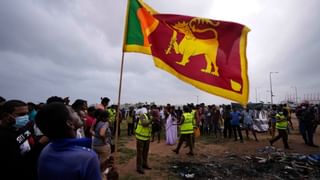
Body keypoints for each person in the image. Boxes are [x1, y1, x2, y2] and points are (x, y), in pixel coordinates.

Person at [36, 102, 101, 180]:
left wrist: (97, 167)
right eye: (73, 112)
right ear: (70, 124)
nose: (77, 113)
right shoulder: (88, 157)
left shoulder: (46, 150)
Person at [0, 100, 46, 180]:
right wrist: (40, 143)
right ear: (5, 116)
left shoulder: (22, 128)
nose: (26, 117)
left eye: (27, 113)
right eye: (21, 115)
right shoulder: (3, 137)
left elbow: (32, 139)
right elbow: (18, 164)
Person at [92, 109, 112, 177]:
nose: (108, 118)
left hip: (95, 145)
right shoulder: (105, 123)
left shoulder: (97, 122)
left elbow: (92, 131)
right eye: (108, 117)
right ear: (105, 117)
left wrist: (96, 136)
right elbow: (102, 133)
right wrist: (104, 141)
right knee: (104, 163)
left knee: (97, 162)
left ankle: (96, 174)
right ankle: (102, 177)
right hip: (102, 146)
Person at [135, 106, 152, 174]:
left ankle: (144, 164)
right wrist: (152, 120)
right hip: (140, 138)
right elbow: (144, 124)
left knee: (145, 152)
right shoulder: (142, 116)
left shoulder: (148, 116)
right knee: (140, 153)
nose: (149, 111)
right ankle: (139, 167)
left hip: (146, 137)